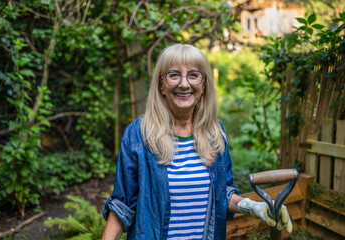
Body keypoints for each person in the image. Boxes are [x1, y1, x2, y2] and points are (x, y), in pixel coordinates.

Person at [102, 44, 292, 240]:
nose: (184, 84)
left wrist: (256, 207)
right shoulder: (138, 135)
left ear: (203, 85)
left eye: (193, 75)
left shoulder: (215, 133)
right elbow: (122, 206)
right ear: (161, 85)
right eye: (174, 75)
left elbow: (223, 193)